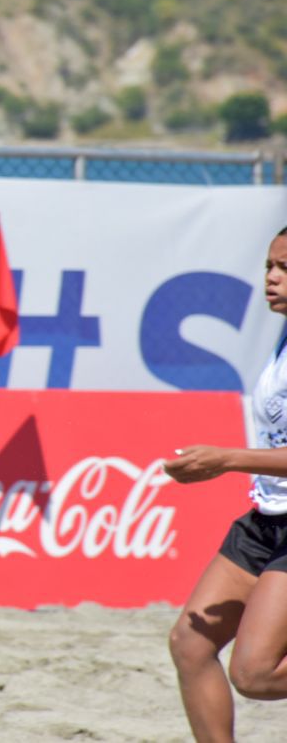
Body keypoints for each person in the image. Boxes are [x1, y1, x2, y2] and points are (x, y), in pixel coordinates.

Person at [166, 224, 287, 743]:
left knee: (255, 675)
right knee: (190, 644)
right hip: (266, 519)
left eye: (285, 269)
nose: (272, 279)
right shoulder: (281, 335)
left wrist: (228, 459)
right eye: (268, 267)